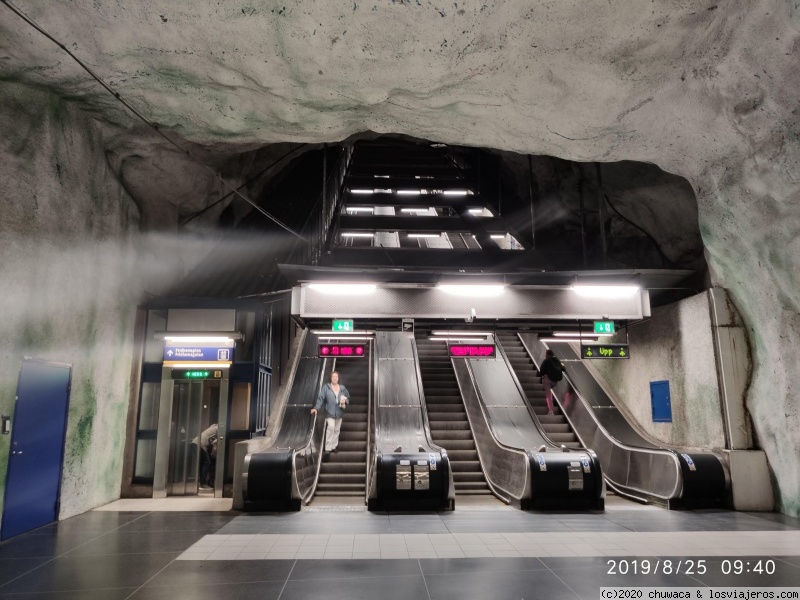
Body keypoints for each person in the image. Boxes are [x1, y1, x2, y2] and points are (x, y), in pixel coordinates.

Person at [310, 371, 350, 453]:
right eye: (333, 377)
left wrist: (345, 401)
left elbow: (347, 397)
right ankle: (328, 447)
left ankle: (334, 446)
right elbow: (321, 398)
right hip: (329, 412)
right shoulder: (326, 387)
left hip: (339, 412)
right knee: (331, 427)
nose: (335, 378)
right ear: (331, 378)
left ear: (338, 378)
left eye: (336, 377)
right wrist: (316, 408)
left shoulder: (342, 388)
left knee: (337, 430)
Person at [539, 349, 565, 415]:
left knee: (548, 395)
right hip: (555, 381)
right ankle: (551, 397)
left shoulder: (546, 361)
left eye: (545, 354)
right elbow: (563, 369)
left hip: (547, 380)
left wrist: (543, 375)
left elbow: (541, 371)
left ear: (547, 354)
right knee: (549, 391)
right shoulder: (557, 361)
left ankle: (551, 411)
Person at [194, 423, 218, 490]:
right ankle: (202, 483)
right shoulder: (218, 429)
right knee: (207, 463)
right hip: (200, 445)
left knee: (201, 463)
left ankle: (199, 482)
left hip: (194, 443)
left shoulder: (212, 428)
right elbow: (215, 442)